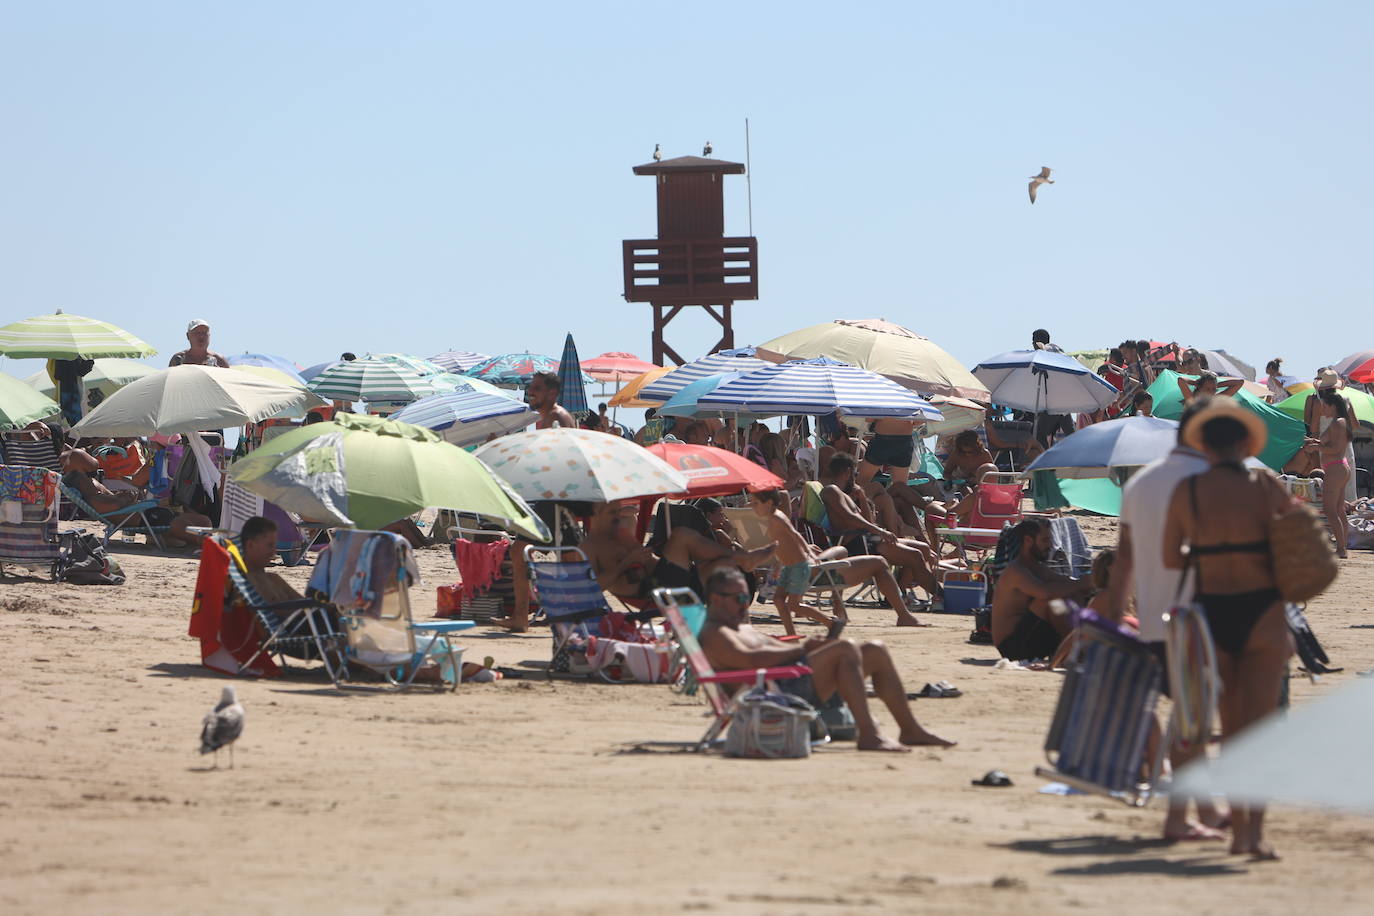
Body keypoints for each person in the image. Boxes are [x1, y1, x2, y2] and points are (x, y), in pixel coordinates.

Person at [1162, 397, 1293, 860]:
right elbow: (1296, 543)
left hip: (1210, 609)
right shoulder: (1266, 484)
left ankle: (1228, 823)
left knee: (1215, 720)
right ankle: (1248, 835)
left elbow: (1170, 559)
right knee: (1253, 729)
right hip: (1263, 609)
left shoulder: (1189, 491)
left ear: (1205, 446)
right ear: (1243, 442)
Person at [1105, 397, 1226, 842]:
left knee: (1189, 721)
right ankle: (1183, 818)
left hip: (1156, 622)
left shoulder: (1142, 482)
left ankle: (1202, 812)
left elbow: (1123, 562)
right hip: (1201, 621)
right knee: (1193, 724)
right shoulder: (1212, 482)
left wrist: (1117, 620)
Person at [698, 567, 955, 752]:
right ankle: (869, 734)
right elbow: (751, 661)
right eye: (741, 599)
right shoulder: (714, 633)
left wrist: (812, 648)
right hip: (773, 694)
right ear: (716, 599)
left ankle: (910, 729)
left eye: (747, 597)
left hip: (787, 679)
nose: (746, 605)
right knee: (844, 650)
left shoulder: (739, 627)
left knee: (875, 650)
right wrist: (803, 649)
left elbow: (771, 652)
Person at [750, 488, 925, 631]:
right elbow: (787, 530)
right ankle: (904, 616)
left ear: (769, 503)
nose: (751, 506)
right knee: (879, 562)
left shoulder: (774, 522)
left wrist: (807, 551)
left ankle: (838, 608)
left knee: (841, 549)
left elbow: (788, 536)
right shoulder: (778, 520)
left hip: (809, 565)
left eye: (755, 503)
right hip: (814, 571)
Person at [582, 501, 774, 604]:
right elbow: (590, 589)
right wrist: (627, 562)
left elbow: (631, 518)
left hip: (671, 577)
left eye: (618, 510)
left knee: (726, 565)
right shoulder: (590, 546)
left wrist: (648, 552)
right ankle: (744, 558)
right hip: (652, 590)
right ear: (596, 513)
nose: (617, 516)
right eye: (611, 512)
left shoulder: (622, 528)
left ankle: (744, 562)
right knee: (681, 535)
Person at [819, 454, 941, 604]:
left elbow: (868, 521)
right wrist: (880, 531)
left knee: (923, 549)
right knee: (915, 556)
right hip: (856, 544)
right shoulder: (831, 491)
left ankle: (896, 595)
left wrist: (862, 498)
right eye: (855, 473)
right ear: (847, 472)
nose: (856, 477)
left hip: (868, 540)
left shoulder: (846, 494)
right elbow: (849, 516)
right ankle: (942, 596)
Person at [990, 518, 1090, 661]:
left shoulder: (1037, 567)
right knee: (1051, 600)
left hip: (1033, 638)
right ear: (1028, 541)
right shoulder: (1015, 570)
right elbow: (1044, 592)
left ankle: (1076, 646)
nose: (1050, 545)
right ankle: (1074, 651)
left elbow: (1066, 582)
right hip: (1013, 647)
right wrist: (1080, 584)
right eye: (1045, 540)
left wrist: (1088, 584)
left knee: (1072, 594)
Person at [1305, 369, 1358, 503]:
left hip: (1327, 447)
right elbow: (1355, 425)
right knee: (1349, 487)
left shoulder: (1319, 403)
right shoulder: (1345, 400)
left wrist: (1315, 445)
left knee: (1332, 491)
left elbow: (1313, 428)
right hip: (1346, 446)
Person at [1313, 385, 1353, 557]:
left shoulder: (1337, 422)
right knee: (1338, 509)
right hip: (1340, 467)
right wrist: (1316, 443)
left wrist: (1316, 447)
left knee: (1330, 510)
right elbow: (1334, 446)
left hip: (1336, 467)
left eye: (1325, 406)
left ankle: (1341, 548)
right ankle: (1344, 546)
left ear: (1333, 406)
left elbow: (1336, 449)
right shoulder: (1340, 421)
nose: (1322, 409)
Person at [1178, 370, 1243, 403]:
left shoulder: (1215, 399)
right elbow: (1181, 380)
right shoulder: (1192, 400)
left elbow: (1239, 383)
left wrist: (1216, 385)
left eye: (1214, 389)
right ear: (1199, 388)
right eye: (1207, 389)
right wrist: (1195, 382)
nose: (1211, 392)